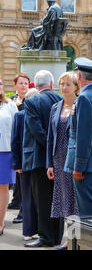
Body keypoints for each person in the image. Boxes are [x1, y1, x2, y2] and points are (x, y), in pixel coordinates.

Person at [22, 70, 63, 248]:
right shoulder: (60, 100)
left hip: (39, 159)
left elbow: (36, 130)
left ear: (36, 85)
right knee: (57, 197)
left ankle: (46, 236)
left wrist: (49, 148)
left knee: (42, 199)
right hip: (59, 157)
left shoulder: (31, 102)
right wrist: (56, 148)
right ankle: (57, 236)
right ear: (52, 84)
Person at [65, 58, 92, 219]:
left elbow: (84, 134)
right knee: (89, 206)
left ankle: (91, 244)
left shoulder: (84, 98)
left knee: (88, 212)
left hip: (87, 163)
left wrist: (79, 166)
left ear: (79, 77)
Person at [46, 71, 79, 250]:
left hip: (74, 158)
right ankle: (70, 239)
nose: (64, 87)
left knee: (75, 200)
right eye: (62, 84)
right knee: (65, 200)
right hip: (58, 159)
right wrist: (49, 163)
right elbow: (50, 137)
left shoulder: (80, 104)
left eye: (68, 84)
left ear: (76, 86)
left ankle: (76, 239)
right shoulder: (55, 107)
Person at [12, 88, 39, 241]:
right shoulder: (19, 116)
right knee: (27, 198)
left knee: (34, 197)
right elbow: (15, 141)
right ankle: (28, 230)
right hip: (24, 162)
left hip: (38, 162)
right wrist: (17, 163)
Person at [8, 73, 30, 223]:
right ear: (15, 85)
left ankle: (22, 203)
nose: (23, 86)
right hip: (11, 140)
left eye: (26, 83)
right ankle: (16, 199)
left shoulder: (31, 100)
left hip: (25, 142)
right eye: (21, 83)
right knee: (15, 171)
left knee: (22, 173)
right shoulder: (9, 101)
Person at [0, 78, 18, 235]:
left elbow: (17, 130)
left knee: (2, 188)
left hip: (5, 152)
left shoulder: (10, 105)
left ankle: (0, 223)